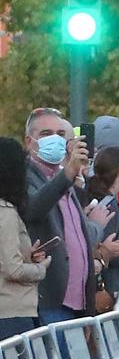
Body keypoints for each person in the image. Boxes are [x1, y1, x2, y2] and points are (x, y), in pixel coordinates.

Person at [22, 109, 97, 327]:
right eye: (46, 133)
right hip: (51, 301)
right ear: (30, 141)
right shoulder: (25, 176)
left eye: (60, 134)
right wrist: (68, 173)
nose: (55, 139)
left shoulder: (64, 178)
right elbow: (34, 209)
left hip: (78, 303)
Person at [0, 137, 53, 342]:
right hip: (12, 313)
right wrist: (40, 269)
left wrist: (27, 255)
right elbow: (12, 268)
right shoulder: (6, 213)